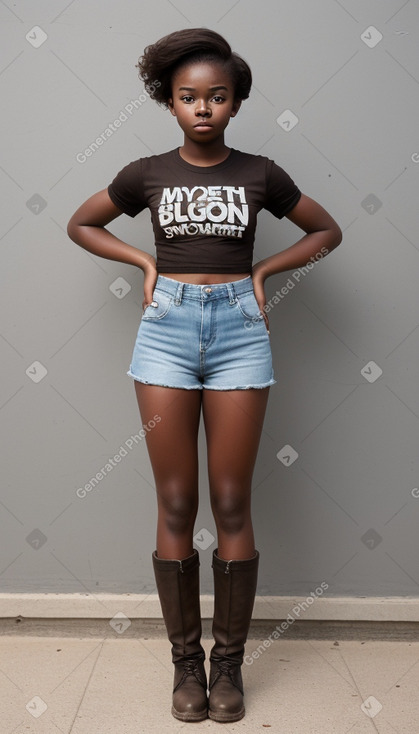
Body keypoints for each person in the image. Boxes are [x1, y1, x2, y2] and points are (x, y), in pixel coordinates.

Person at [67, 27, 342, 723]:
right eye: (188, 97)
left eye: (216, 97)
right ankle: (184, 670)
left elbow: (325, 230)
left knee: (229, 500)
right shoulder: (146, 173)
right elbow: (82, 223)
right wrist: (145, 264)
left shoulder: (260, 174)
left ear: (234, 104)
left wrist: (261, 272)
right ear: (169, 102)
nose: (202, 109)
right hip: (166, 329)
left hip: (239, 333)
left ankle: (228, 671)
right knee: (173, 501)